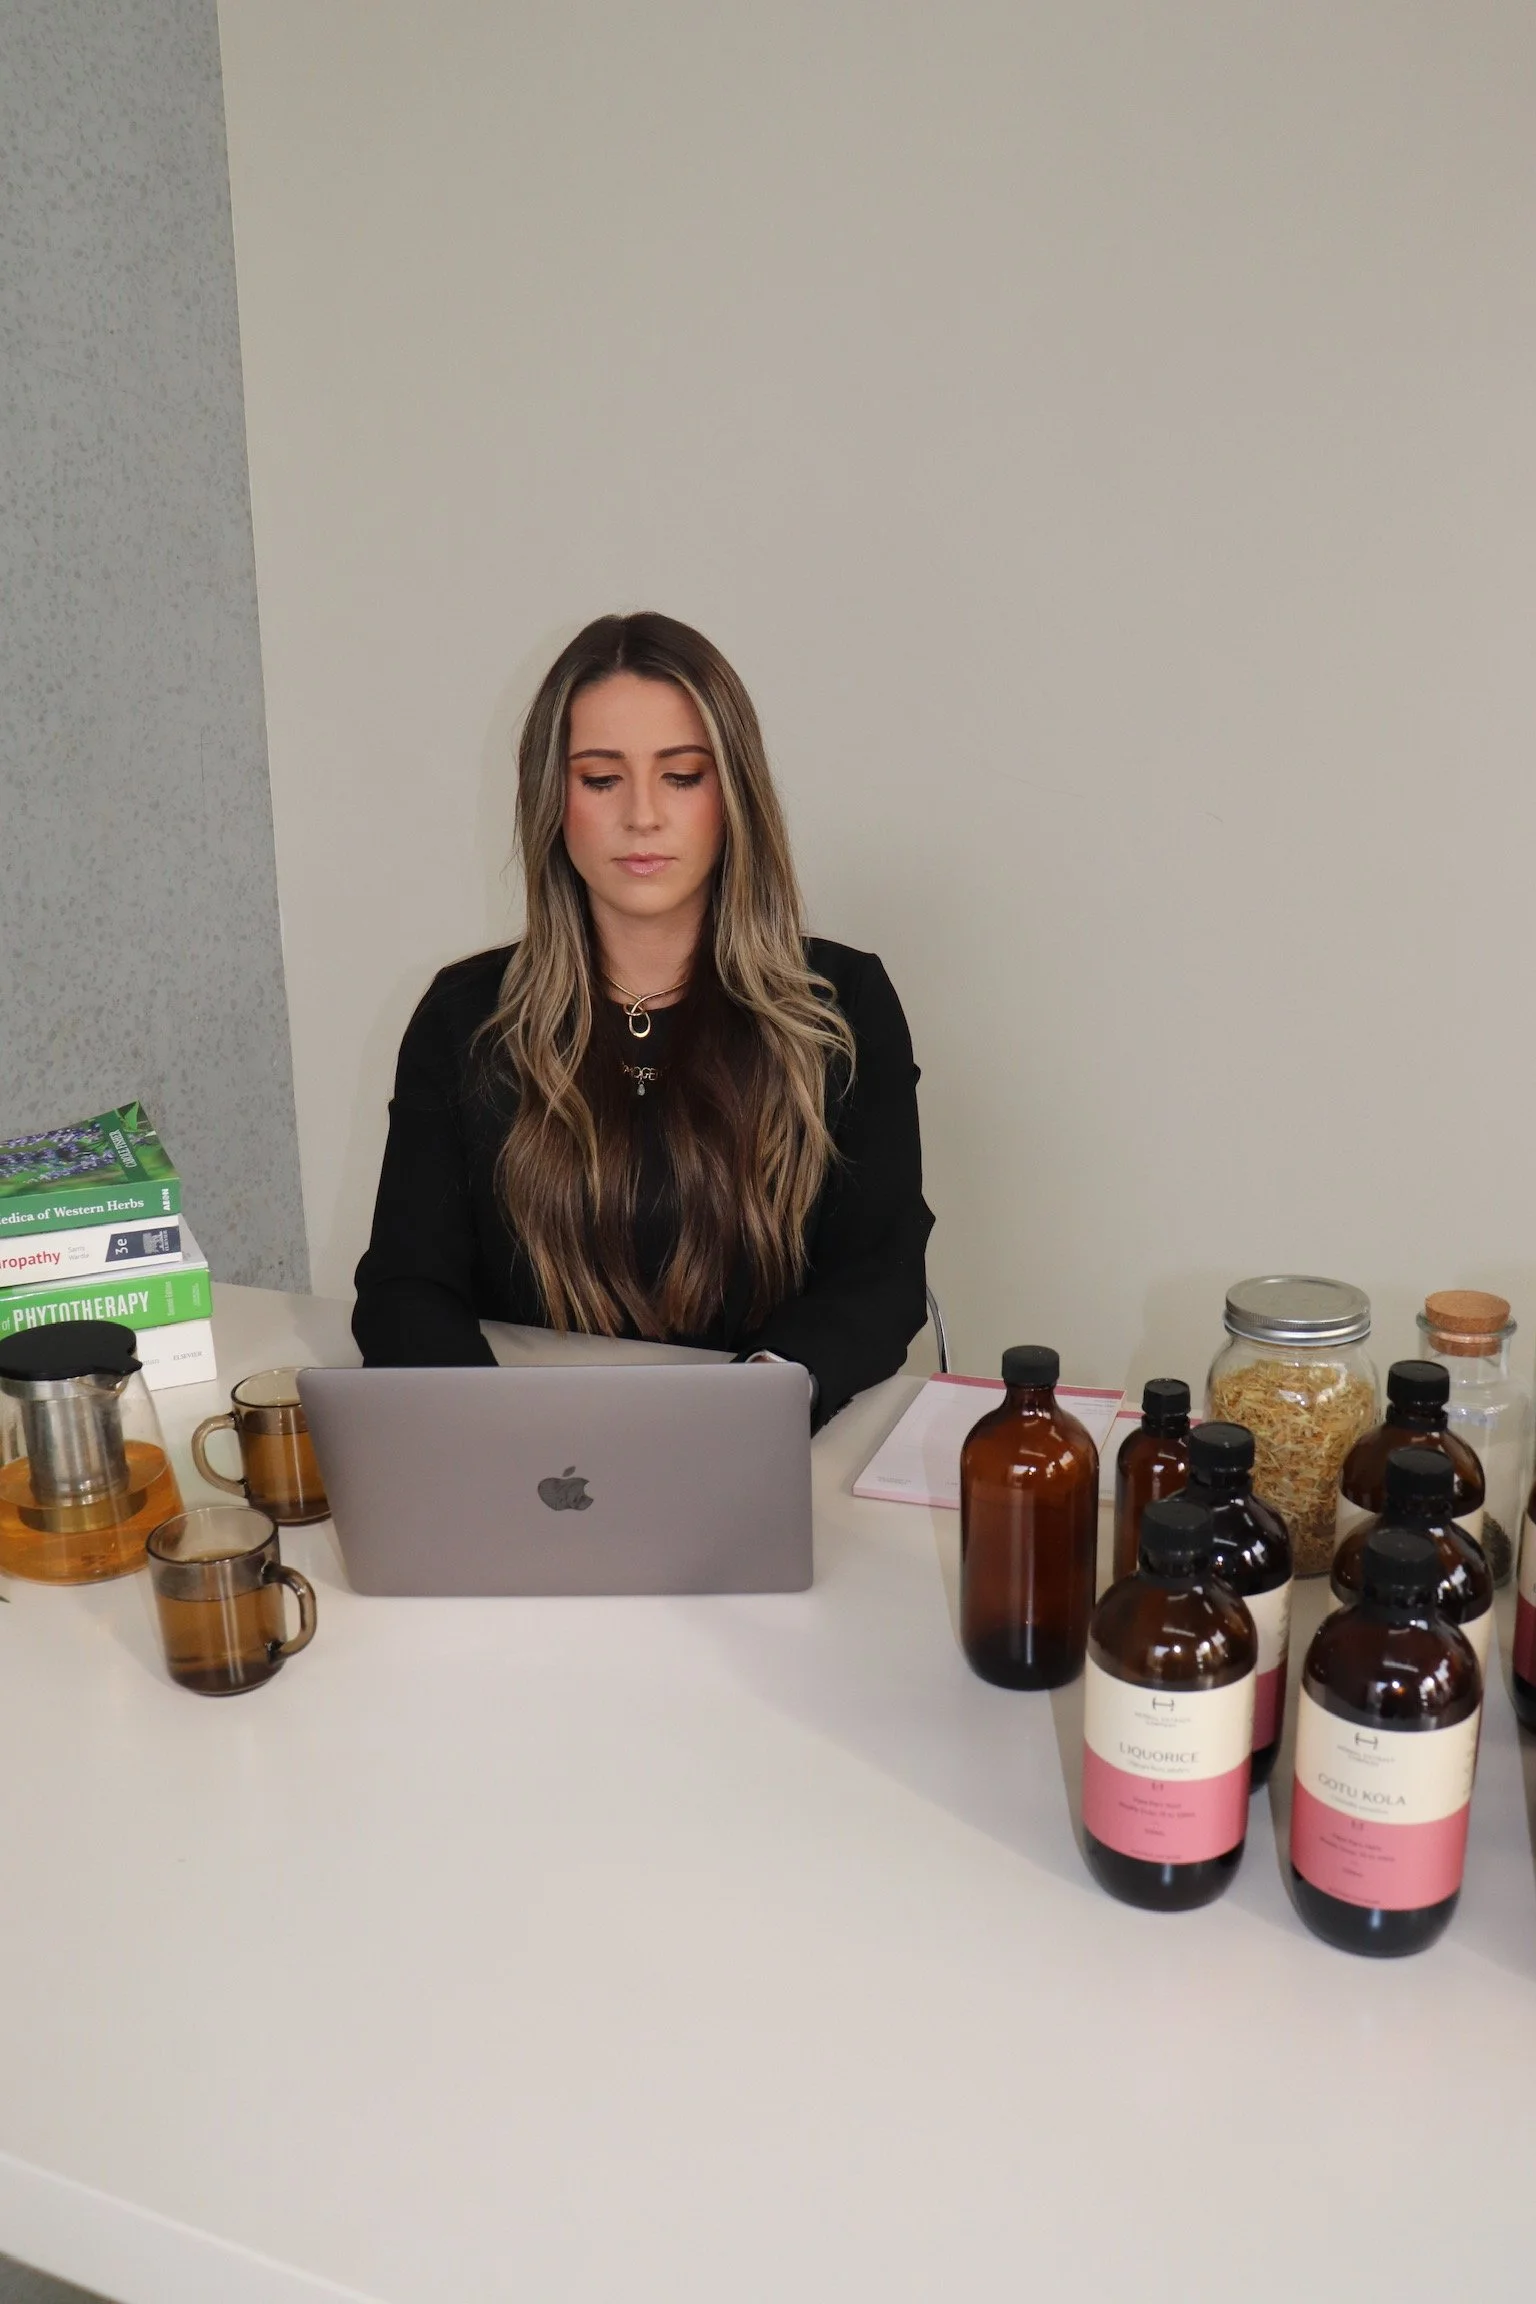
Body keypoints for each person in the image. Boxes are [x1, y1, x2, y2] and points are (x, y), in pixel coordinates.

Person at [352, 612, 933, 1431]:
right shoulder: (464, 1019)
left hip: (760, 1451)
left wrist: (755, 1406)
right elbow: (405, 1286)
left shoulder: (842, 1005)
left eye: (682, 776)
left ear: (733, 795)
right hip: (535, 1463)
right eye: (601, 779)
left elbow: (881, 1276)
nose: (643, 816)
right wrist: (493, 1436)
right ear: (553, 801)